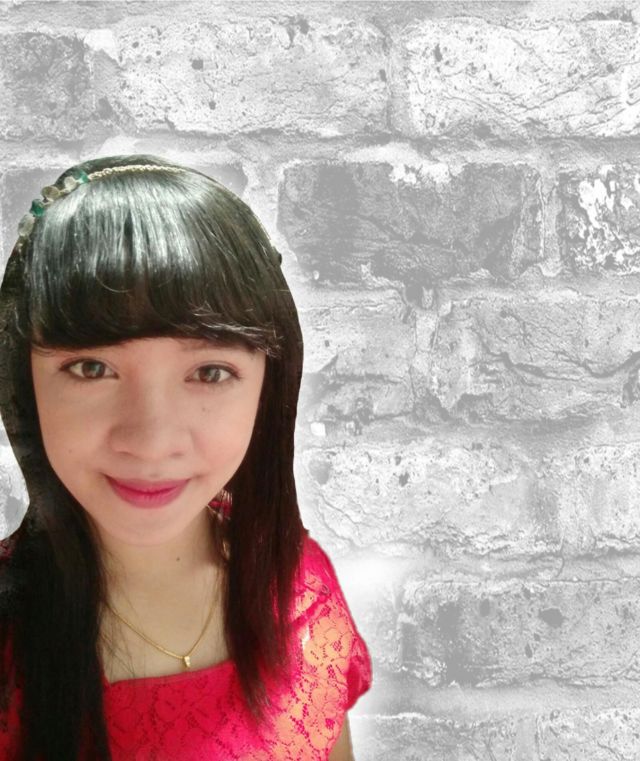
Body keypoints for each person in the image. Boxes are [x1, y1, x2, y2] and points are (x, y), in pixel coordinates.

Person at [0, 155, 372, 760]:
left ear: (268, 387)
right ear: (25, 384)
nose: (151, 442)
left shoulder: (299, 591)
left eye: (210, 372)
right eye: (91, 368)